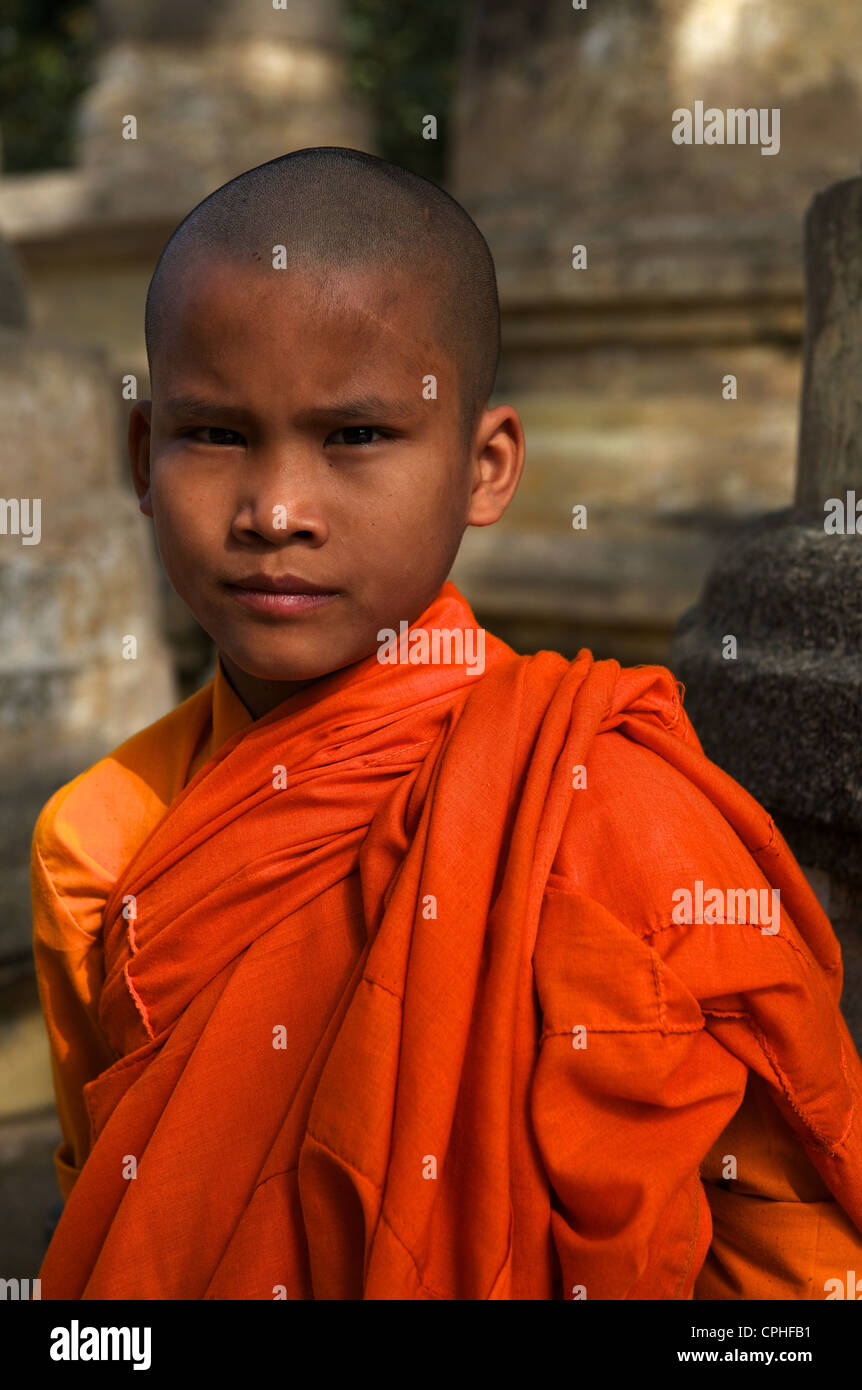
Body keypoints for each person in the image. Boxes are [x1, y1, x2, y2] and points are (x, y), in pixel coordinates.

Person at [31, 147, 862, 1300]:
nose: (276, 512)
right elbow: (124, 1220)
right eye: (216, 435)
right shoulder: (101, 836)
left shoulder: (618, 817)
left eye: (355, 438)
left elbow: (791, 1265)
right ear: (141, 456)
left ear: (485, 467)